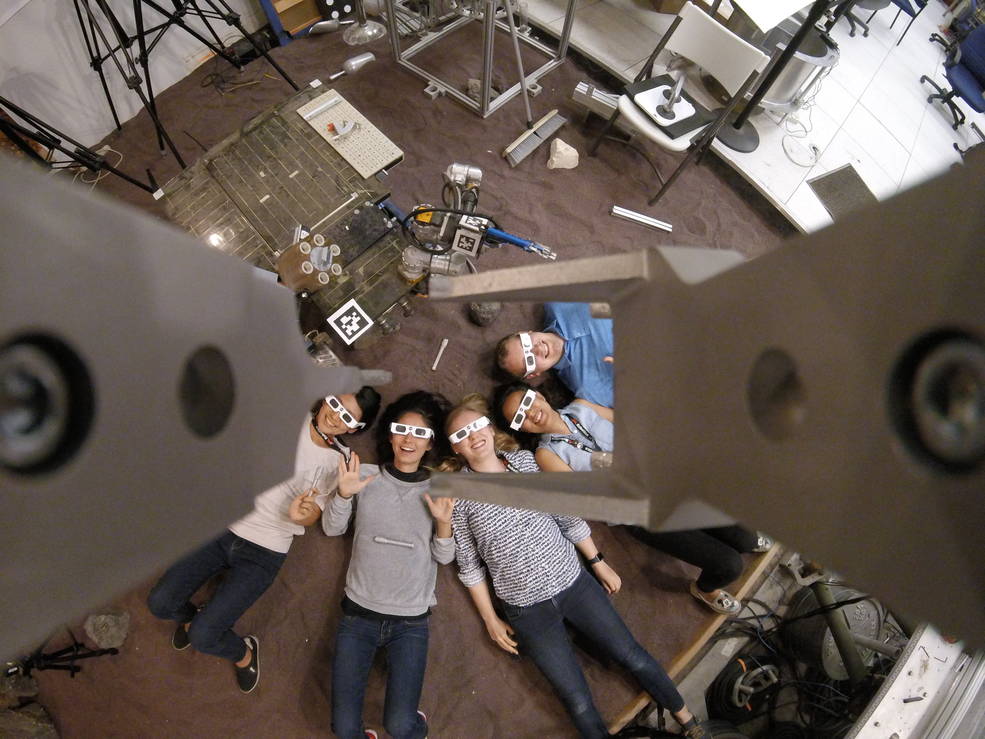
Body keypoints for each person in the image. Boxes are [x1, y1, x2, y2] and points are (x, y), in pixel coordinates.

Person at [442, 394, 706, 739]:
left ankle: (689, 721)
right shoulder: (458, 496)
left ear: (490, 429)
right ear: (456, 449)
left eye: (476, 426)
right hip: (526, 610)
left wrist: (598, 563)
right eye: (461, 435)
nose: (473, 436)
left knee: (632, 655)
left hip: (574, 583)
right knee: (577, 701)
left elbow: (566, 516)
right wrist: (491, 620)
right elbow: (469, 565)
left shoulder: (525, 463)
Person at [147, 387, 381, 693]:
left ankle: (244, 653)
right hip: (222, 527)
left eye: (347, 416)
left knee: (205, 638)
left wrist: (303, 515)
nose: (336, 416)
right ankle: (195, 620)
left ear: (355, 428)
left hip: (265, 550)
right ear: (325, 398)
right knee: (160, 603)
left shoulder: (342, 460)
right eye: (335, 404)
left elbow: (316, 516)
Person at [495, 382, 772, 616]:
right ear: (520, 429)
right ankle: (704, 589)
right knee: (728, 565)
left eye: (527, 401)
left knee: (745, 539)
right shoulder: (546, 454)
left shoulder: (582, 406)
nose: (531, 413)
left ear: (539, 394)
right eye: (519, 417)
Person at [322, 391, 456, 739]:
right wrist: (344, 494)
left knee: (401, 726)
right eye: (401, 430)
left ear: (430, 443)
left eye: (420, 433)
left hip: (410, 622)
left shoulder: (440, 489)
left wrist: (444, 524)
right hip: (358, 616)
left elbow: (444, 557)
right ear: (390, 435)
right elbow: (332, 528)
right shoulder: (363, 475)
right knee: (344, 729)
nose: (409, 439)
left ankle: (416, 723)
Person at [495, 302, 614, 407]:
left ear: (525, 333)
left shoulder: (558, 302)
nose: (536, 350)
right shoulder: (587, 388)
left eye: (526, 343)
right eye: (529, 361)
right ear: (533, 374)